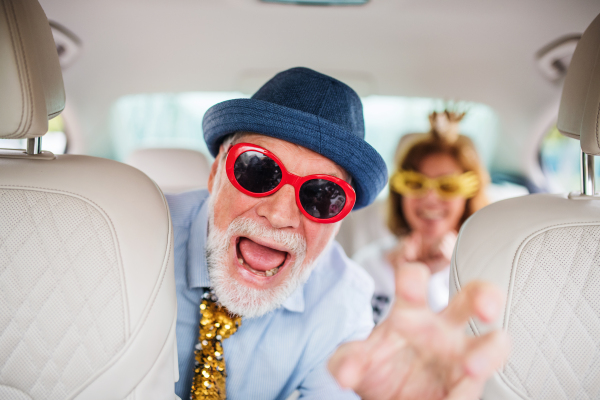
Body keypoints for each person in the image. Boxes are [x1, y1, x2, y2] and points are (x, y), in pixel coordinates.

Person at [167, 67, 509, 400]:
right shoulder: (129, 241)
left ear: (338, 220)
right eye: (257, 171)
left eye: (321, 196)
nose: (279, 215)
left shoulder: (343, 303)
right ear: (215, 174)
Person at [355, 111, 489, 323]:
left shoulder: (481, 272)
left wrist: (435, 280)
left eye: (447, 186)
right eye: (415, 184)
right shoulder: (367, 265)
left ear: (468, 197)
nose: (430, 197)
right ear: (400, 195)